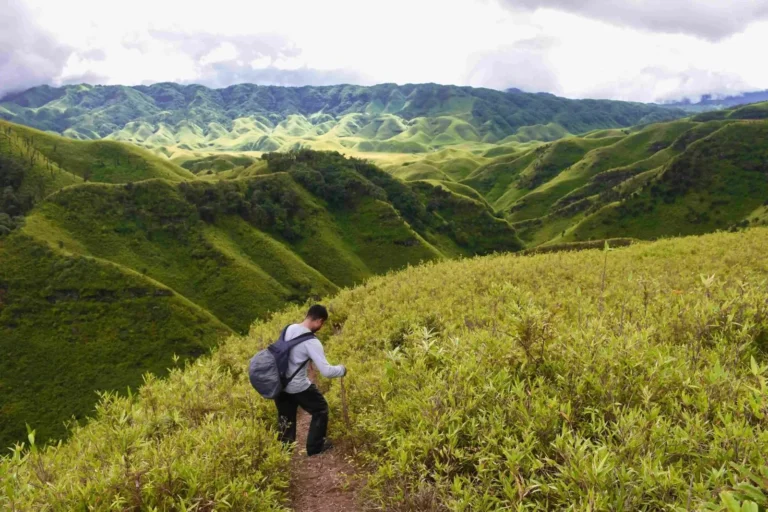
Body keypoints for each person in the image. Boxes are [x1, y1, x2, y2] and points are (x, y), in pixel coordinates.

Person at [275, 304, 346, 456]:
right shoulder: (312, 342)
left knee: (285, 419)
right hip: (298, 386)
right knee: (320, 409)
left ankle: (283, 456)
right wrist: (342, 369)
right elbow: (326, 371)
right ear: (319, 321)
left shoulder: (289, 328)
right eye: (322, 323)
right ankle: (315, 446)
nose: (321, 327)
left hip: (280, 385)